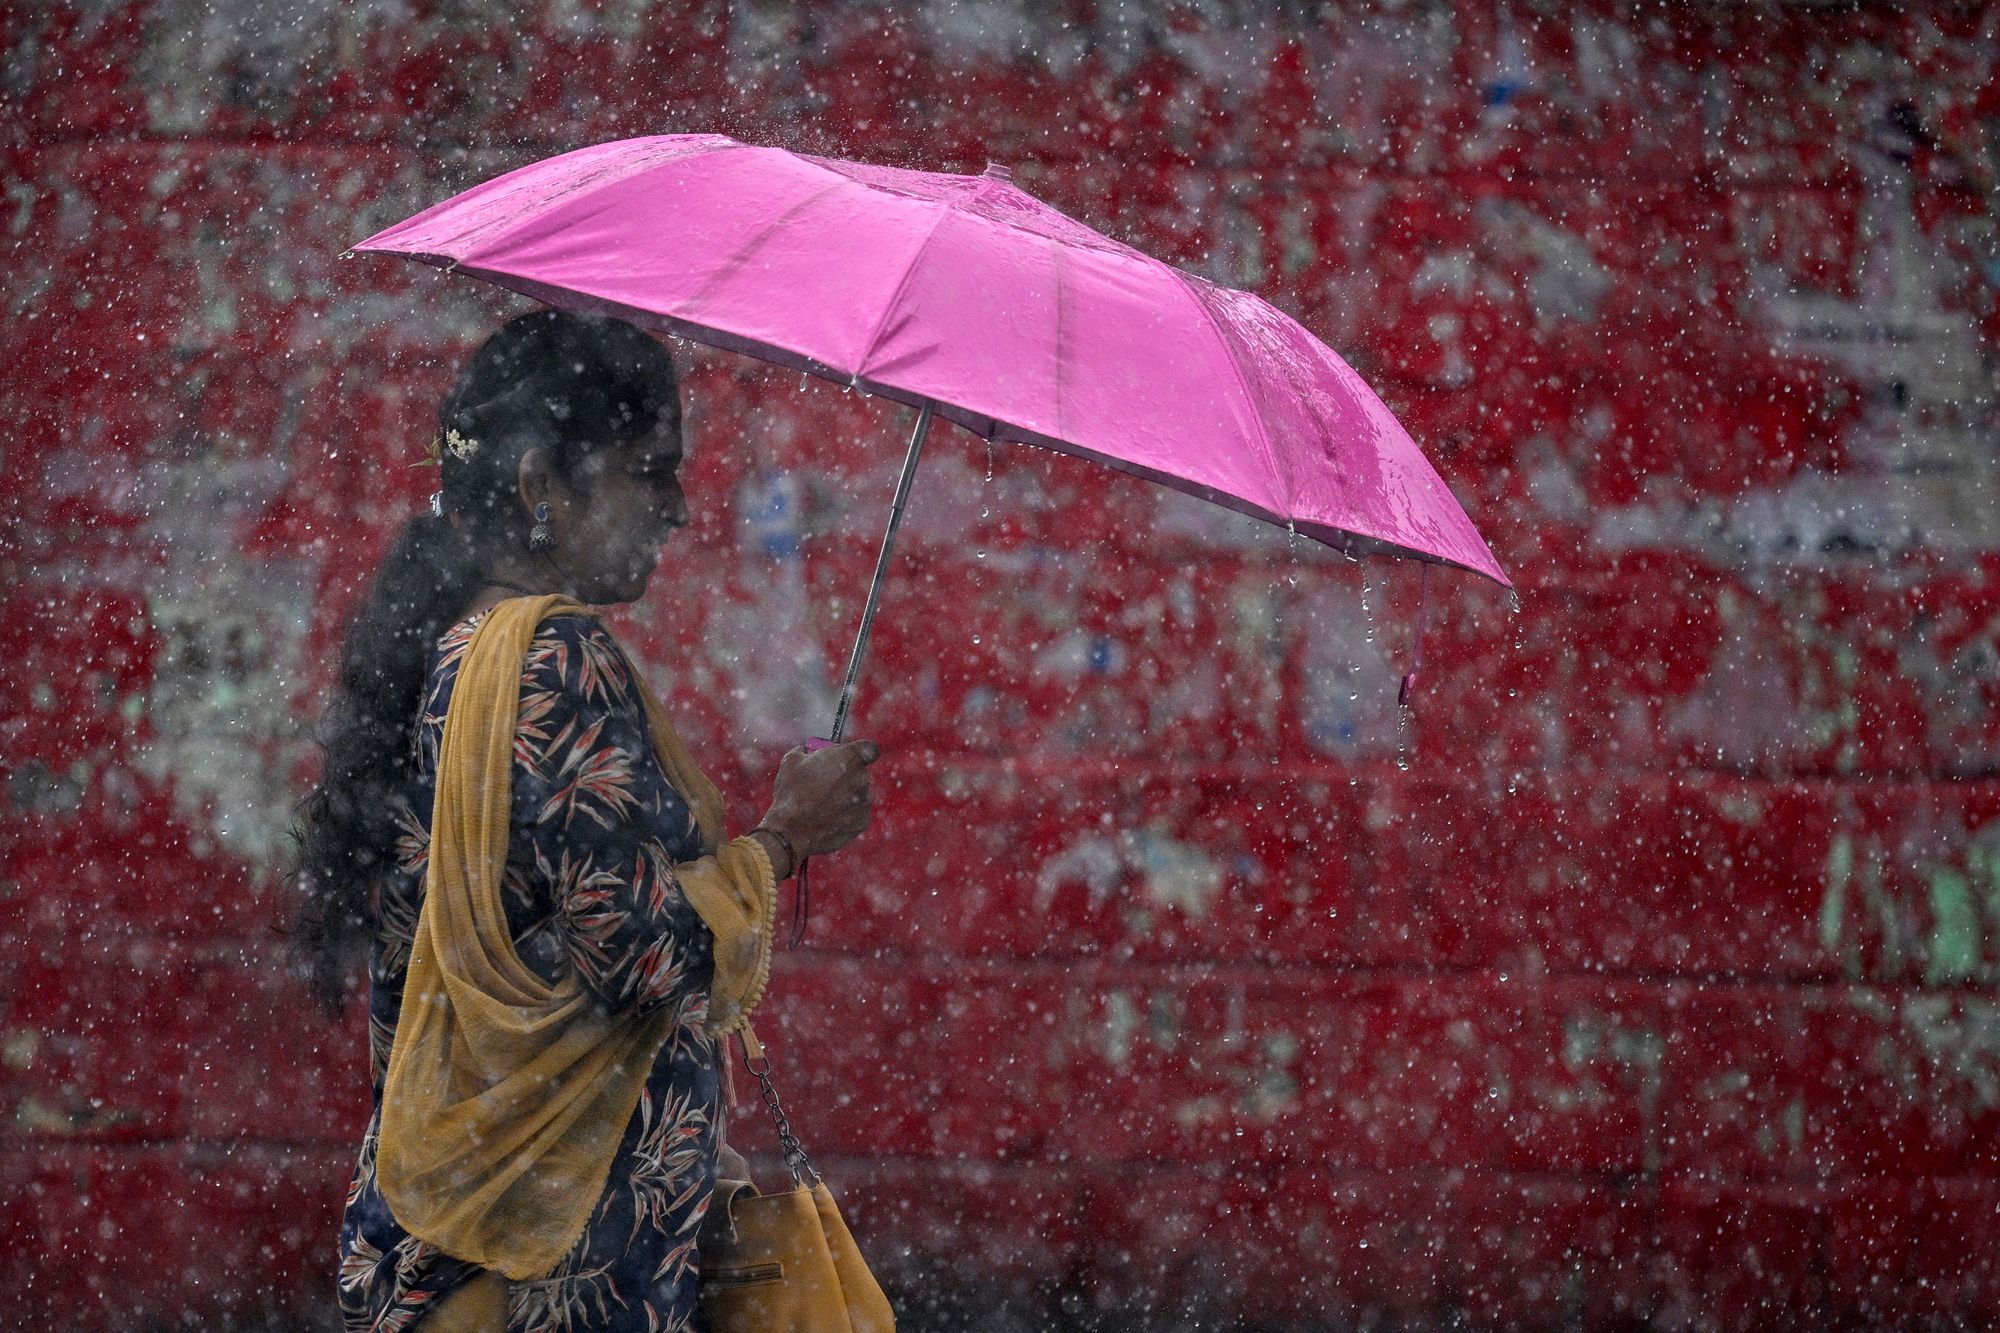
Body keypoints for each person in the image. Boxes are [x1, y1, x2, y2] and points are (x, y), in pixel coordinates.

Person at [293, 308, 877, 1331]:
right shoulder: (554, 658)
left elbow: (523, 945)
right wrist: (784, 839)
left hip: (470, 1219)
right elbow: (645, 957)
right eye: (649, 473)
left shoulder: (460, 643)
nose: (680, 511)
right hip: (559, 1262)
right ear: (537, 488)